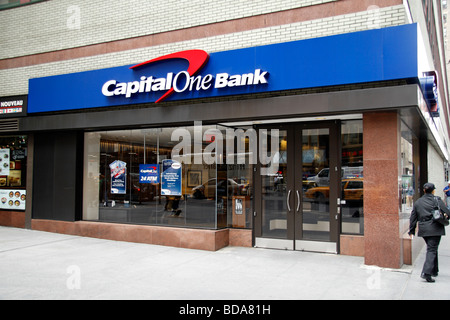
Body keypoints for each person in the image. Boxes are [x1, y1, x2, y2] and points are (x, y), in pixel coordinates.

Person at [409, 183, 450, 282]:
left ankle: (434, 270)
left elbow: (413, 217)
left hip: (424, 229)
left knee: (432, 248)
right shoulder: (437, 200)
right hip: (435, 228)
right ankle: (426, 273)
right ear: (433, 191)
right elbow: (447, 212)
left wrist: (411, 230)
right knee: (432, 249)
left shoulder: (418, 202)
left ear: (424, 190)